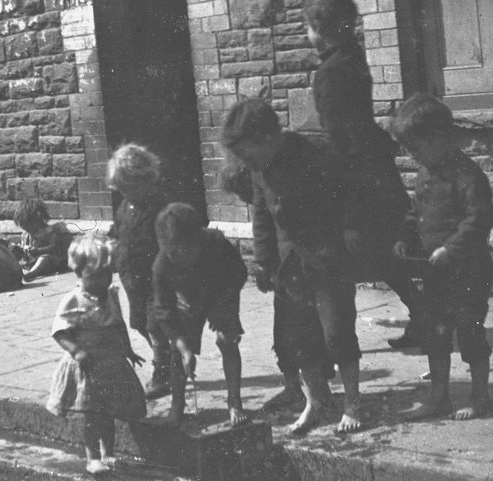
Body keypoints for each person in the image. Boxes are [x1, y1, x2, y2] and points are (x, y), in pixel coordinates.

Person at [221, 97, 363, 435]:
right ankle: (314, 401)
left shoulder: (315, 155)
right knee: (298, 338)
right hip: (289, 264)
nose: (245, 161)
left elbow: (349, 199)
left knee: (337, 331)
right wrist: (263, 261)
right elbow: (261, 215)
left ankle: (352, 402)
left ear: (269, 137)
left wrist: (350, 241)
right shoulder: (259, 169)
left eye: (248, 153)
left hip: (327, 258)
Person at [303, 0, 423, 349]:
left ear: (319, 29)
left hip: (354, 172)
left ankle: (338, 336)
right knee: (386, 250)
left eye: (308, 27)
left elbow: (339, 138)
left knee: (353, 250)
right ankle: (423, 313)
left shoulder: (329, 73)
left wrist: (347, 210)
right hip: (373, 164)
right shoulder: (353, 58)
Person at [390, 93, 493, 421]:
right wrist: (404, 239)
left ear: (438, 138)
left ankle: (480, 396)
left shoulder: (466, 175)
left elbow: (478, 219)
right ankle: (439, 397)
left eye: (415, 147)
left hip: (468, 273)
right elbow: (416, 213)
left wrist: (451, 249)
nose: (411, 155)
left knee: (470, 332)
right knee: (436, 335)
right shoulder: (425, 173)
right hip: (436, 274)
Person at [220, 158, 334, 414]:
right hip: (282, 276)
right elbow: (264, 239)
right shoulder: (262, 206)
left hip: (300, 272)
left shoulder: (278, 198)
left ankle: (318, 389)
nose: (247, 199)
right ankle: (293, 385)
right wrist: (265, 268)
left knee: (307, 330)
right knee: (282, 332)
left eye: (244, 192)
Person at [45, 235, 147, 476]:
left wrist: (128, 349)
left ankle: (108, 451)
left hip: (111, 362)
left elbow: (118, 324)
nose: (102, 281)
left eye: (106, 274)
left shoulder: (111, 295)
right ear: (79, 273)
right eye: (95, 276)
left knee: (108, 412)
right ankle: (92, 457)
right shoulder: (73, 300)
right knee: (91, 414)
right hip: (87, 366)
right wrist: (76, 350)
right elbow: (59, 332)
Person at [152, 202, 250, 429]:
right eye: (173, 252)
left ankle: (234, 400)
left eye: (186, 250)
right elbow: (163, 309)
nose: (179, 257)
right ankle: (177, 405)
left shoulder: (216, 243)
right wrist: (184, 346)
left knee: (228, 340)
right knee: (178, 352)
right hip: (188, 299)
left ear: (198, 238)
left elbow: (238, 273)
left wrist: (224, 303)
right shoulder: (162, 265)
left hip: (220, 293)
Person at [106, 144, 178, 401]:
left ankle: (162, 372)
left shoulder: (159, 206)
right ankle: (168, 360)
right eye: (123, 189)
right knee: (139, 322)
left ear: (146, 179)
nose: (128, 193)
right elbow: (117, 233)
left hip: (156, 277)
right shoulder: (125, 208)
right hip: (131, 277)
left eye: (133, 187)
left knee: (154, 325)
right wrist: (110, 247)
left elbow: (170, 241)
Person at [12, 197, 71, 281]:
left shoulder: (48, 231)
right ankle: (21, 271)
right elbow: (23, 247)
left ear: (38, 218)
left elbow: (53, 246)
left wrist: (39, 250)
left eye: (29, 226)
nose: (28, 230)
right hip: (30, 261)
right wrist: (21, 250)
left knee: (43, 259)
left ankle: (31, 274)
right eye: (24, 228)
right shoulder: (26, 234)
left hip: (49, 259)